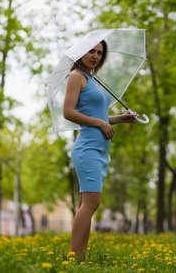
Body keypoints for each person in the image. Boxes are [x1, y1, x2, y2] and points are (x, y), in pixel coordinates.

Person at [63, 40, 137, 261]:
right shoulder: (76, 76)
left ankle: (80, 257)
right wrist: (100, 123)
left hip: (100, 149)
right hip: (87, 148)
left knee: (87, 204)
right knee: (92, 202)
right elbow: (68, 113)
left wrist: (119, 119)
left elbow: (101, 117)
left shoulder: (94, 80)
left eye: (99, 52)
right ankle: (73, 258)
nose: (95, 55)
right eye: (91, 51)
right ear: (80, 53)